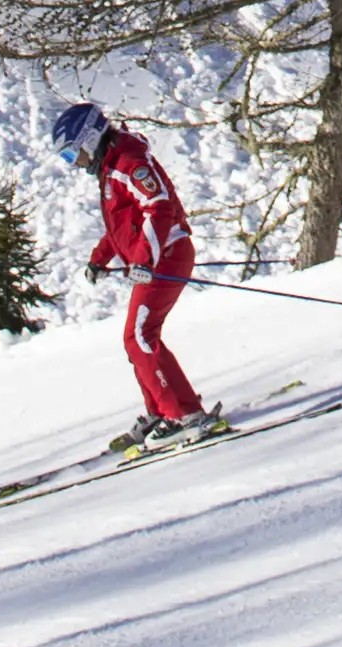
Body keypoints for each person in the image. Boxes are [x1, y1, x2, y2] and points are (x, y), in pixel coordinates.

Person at [51, 102, 228, 455]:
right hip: (155, 259)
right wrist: (100, 259)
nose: (76, 164)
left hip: (167, 256)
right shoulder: (111, 166)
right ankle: (164, 411)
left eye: (74, 154)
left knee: (139, 337)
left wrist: (146, 259)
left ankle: (183, 417)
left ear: (90, 138)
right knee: (138, 338)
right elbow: (124, 226)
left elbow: (158, 209)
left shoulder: (128, 164)